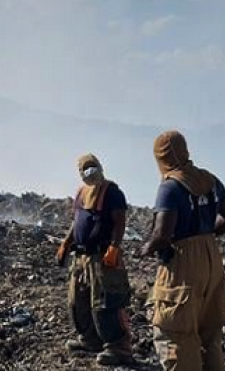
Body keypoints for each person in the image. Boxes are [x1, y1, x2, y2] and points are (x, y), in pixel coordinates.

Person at [140, 130, 225, 371]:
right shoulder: (210, 180)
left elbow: (163, 234)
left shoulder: (170, 187)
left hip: (183, 261)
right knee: (209, 331)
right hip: (211, 260)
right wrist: (206, 237)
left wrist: (145, 248)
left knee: (176, 332)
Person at [56, 154, 134, 365]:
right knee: (77, 301)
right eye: (86, 170)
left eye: (93, 168)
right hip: (81, 257)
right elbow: (78, 221)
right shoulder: (82, 192)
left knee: (106, 302)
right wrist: (66, 243)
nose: (90, 173)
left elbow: (119, 221)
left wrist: (114, 247)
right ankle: (90, 339)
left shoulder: (112, 192)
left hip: (103, 257)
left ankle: (119, 347)